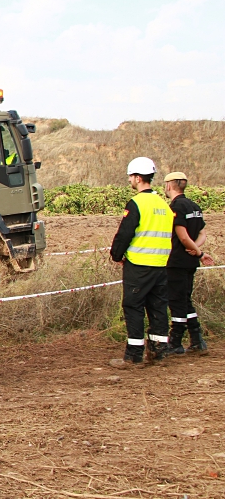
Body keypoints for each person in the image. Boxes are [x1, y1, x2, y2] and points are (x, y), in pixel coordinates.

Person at [109, 157, 175, 366]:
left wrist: (116, 255)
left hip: (139, 265)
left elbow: (125, 233)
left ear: (138, 178)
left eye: (131, 177)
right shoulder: (163, 204)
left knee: (133, 306)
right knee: (158, 307)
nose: (130, 180)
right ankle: (158, 351)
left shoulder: (137, 203)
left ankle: (134, 355)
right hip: (161, 264)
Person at [163, 171, 214, 355]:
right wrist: (195, 249)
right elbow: (202, 233)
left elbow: (182, 236)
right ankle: (196, 338)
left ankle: (175, 341)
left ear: (169, 185)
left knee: (176, 301)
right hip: (190, 261)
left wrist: (197, 251)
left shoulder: (176, 207)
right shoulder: (194, 206)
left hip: (176, 261)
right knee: (185, 299)